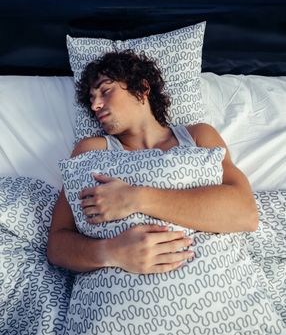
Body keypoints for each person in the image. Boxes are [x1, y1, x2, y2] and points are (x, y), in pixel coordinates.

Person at [47, 50, 258, 273]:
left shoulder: (198, 136)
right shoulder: (90, 150)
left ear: (142, 89)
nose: (95, 105)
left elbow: (245, 212)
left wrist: (136, 198)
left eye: (106, 91)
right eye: (91, 98)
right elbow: (57, 245)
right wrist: (111, 251)